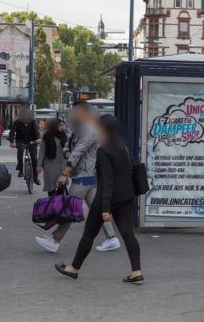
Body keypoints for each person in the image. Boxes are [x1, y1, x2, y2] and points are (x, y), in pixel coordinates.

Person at [55, 114, 142, 283]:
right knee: (128, 234)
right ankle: (136, 271)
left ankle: (74, 268)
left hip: (106, 199)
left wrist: (105, 209)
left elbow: (107, 180)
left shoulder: (103, 150)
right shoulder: (122, 146)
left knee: (88, 235)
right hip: (126, 197)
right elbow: (131, 168)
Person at [36, 102, 120, 253]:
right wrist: (67, 151)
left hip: (84, 176)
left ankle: (55, 240)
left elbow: (78, 152)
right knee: (98, 209)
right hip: (88, 176)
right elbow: (69, 144)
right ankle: (112, 238)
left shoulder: (90, 131)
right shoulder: (79, 129)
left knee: (68, 208)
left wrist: (64, 173)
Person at [35, 118, 67, 196]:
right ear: (54, 126)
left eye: (63, 125)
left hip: (62, 166)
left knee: (61, 190)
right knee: (51, 190)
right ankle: (52, 206)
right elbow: (42, 151)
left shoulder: (65, 136)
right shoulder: (47, 137)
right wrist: (39, 165)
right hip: (50, 166)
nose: (62, 127)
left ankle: (59, 207)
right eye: (60, 125)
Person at [9, 108, 41, 184]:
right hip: (20, 140)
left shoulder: (33, 122)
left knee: (34, 158)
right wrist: (12, 142)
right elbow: (12, 132)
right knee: (20, 151)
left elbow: (37, 132)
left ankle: (35, 177)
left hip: (32, 140)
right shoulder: (16, 122)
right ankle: (20, 169)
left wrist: (38, 139)